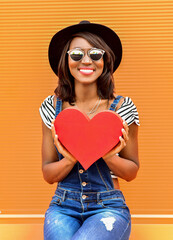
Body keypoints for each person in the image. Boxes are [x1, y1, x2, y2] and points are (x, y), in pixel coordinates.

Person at [39, 20, 140, 240]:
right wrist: (70, 158)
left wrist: (108, 155)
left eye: (95, 53)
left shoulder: (123, 108)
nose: (86, 60)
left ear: (105, 60)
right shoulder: (51, 107)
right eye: (76, 54)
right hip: (63, 206)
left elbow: (131, 171)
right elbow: (48, 173)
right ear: (66, 61)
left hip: (108, 207)